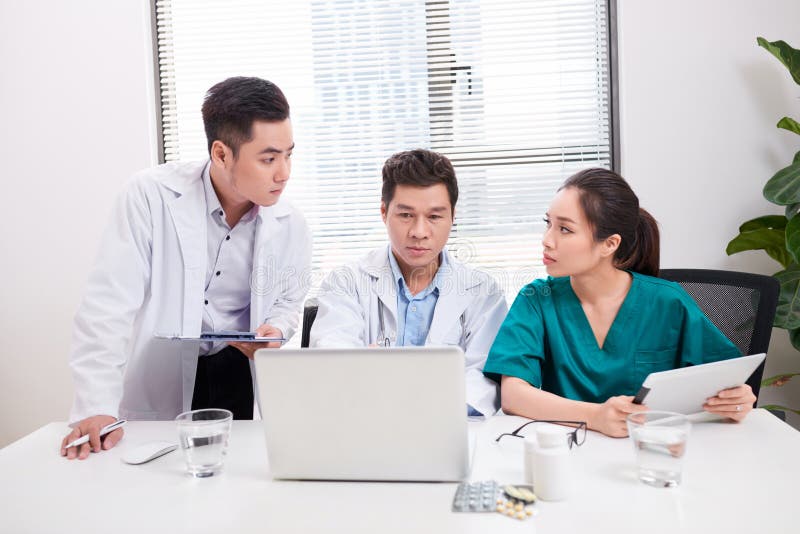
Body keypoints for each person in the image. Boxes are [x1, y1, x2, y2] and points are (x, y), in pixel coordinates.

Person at [61, 77, 311, 459]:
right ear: (222, 154)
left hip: (238, 371)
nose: (284, 173)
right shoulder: (149, 195)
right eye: (268, 158)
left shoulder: (291, 222)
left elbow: (290, 299)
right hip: (164, 371)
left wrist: (276, 328)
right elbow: (107, 305)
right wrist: (96, 406)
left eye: (289, 155)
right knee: (155, 484)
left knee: (239, 483)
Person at [483, 168, 755, 437]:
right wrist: (595, 416)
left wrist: (737, 398)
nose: (547, 240)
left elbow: (726, 377)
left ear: (609, 244)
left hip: (651, 453)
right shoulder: (536, 299)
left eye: (565, 229)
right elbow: (513, 395)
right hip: (570, 451)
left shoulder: (667, 301)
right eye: (548, 224)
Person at [309, 149, 508, 417]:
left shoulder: (483, 293)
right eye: (406, 215)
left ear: (453, 216)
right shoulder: (346, 282)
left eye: (435, 216)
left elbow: (484, 379)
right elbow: (331, 360)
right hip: (363, 427)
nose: (419, 232)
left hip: (446, 429)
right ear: (383, 212)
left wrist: (424, 411)